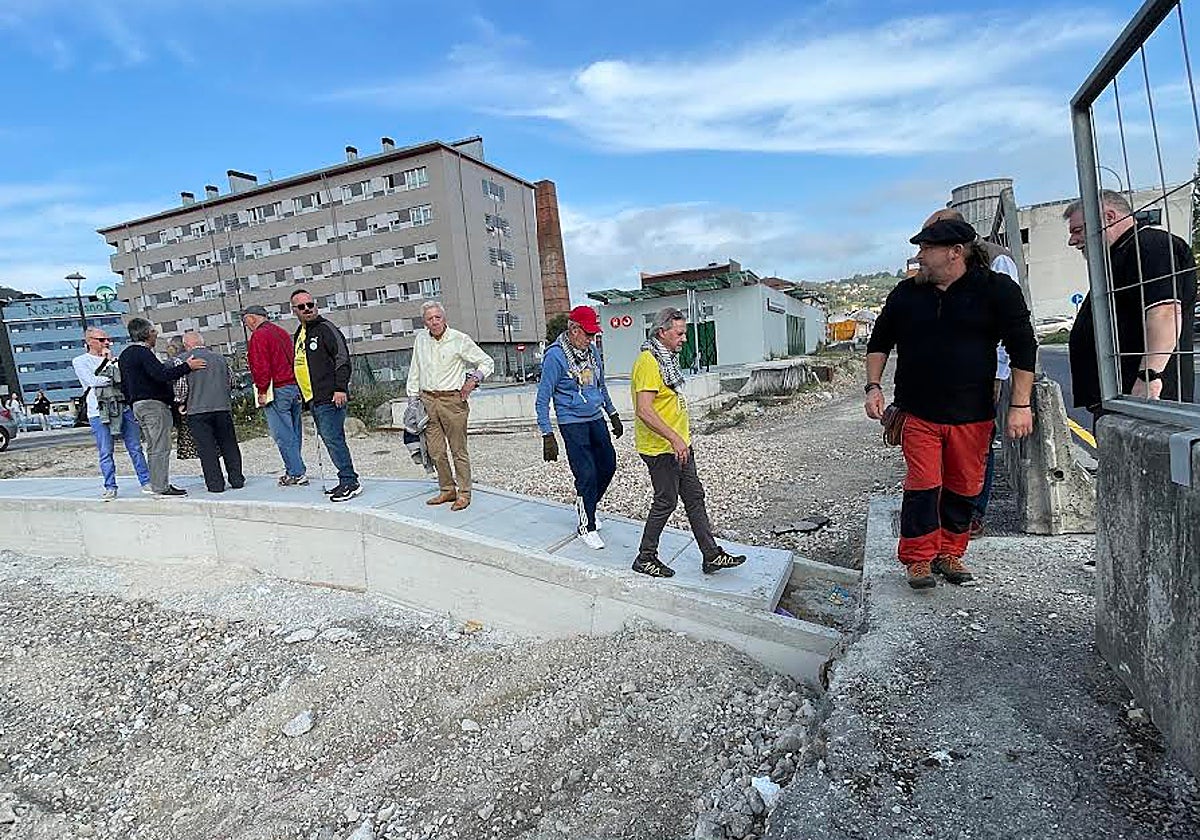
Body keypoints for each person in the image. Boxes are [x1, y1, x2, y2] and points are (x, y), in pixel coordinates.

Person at [866, 218, 1038, 589]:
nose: (919, 258)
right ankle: (917, 559)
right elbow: (879, 341)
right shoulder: (906, 294)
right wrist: (873, 386)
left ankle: (950, 553)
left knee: (963, 487)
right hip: (917, 411)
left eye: (926, 250)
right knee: (923, 485)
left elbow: (1023, 346)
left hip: (972, 413)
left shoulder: (997, 290)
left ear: (954, 253)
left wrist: (1020, 405)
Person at [921, 208, 1022, 537]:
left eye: (929, 239)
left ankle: (972, 513)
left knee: (977, 443)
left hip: (985, 374)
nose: (924, 249)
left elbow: (1012, 327)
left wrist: (1000, 375)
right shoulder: (944, 272)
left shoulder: (997, 261)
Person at [630, 306, 746, 578]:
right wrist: (673, 438)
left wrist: (681, 440)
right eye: (680, 333)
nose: (684, 338)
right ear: (662, 332)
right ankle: (645, 557)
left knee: (694, 497)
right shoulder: (649, 361)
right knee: (666, 501)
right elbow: (644, 410)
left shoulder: (667, 359)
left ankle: (711, 556)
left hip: (679, 445)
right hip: (661, 448)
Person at [1064, 189, 1196, 420]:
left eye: (1078, 230)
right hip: (1122, 402)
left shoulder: (1150, 245)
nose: (1072, 240)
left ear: (1109, 217)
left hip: (1145, 402)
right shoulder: (1120, 254)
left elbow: (1165, 311)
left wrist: (1149, 377)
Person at [536, 305, 623, 550]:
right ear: (574, 330)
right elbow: (543, 397)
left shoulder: (593, 352)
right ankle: (587, 526)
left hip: (595, 416)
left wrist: (612, 413)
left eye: (594, 334)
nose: (592, 338)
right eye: (588, 333)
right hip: (571, 421)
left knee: (608, 465)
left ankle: (587, 507)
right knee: (586, 474)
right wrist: (547, 433)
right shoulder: (555, 357)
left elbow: (601, 385)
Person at [405, 301, 495, 511]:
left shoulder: (459, 339)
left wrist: (472, 381)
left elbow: (486, 362)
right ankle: (447, 489)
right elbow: (415, 368)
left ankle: (464, 493)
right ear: (424, 322)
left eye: (438, 317)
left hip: (452, 401)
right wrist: (412, 400)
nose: (434, 321)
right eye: (430, 318)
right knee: (435, 451)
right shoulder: (421, 339)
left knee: (458, 450)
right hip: (428, 401)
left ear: (444, 318)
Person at [118, 318, 206, 497]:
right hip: (153, 406)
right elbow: (161, 375)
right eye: (153, 331)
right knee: (160, 446)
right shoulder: (143, 353)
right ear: (146, 333)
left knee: (152, 446)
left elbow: (124, 385)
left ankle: (156, 483)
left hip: (138, 406)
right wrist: (187, 367)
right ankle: (161, 486)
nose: (156, 334)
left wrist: (132, 403)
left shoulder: (125, 355)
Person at [290, 289, 361, 502]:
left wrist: (340, 388)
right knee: (329, 439)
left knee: (334, 439)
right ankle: (344, 479)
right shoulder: (299, 334)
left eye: (310, 304)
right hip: (313, 398)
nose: (307, 309)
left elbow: (342, 359)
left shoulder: (326, 328)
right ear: (294, 310)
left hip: (330, 396)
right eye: (301, 306)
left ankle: (350, 481)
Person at [72, 326, 152, 500]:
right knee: (105, 450)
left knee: (135, 447)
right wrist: (107, 369)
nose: (106, 343)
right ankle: (110, 485)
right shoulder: (80, 361)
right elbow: (92, 381)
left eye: (107, 339)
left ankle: (146, 481)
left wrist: (112, 368)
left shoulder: (115, 360)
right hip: (98, 411)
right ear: (89, 341)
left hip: (122, 407)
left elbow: (122, 379)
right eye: (101, 340)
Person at [243, 304, 307, 485]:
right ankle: (295, 468)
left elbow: (261, 366)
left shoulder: (259, 336)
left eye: (246, 321)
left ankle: (296, 473)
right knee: (294, 433)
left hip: (276, 389)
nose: (246, 325)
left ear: (252, 318)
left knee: (283, 434)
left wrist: (262, 391)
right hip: (293, 387)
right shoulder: (281, 332)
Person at [181, 332, 244, 493]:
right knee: (229, 444)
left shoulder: (184, 360)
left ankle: (215, 484)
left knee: (206, 449)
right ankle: (237, 479)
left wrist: (181, 403)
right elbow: (232, 381)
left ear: (186, 345)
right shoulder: (220, 359)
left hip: (197, 409)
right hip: (222, 407)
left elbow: (181, 388)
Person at [165, 338, 199, 461]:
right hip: (195, 400)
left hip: (179, 403)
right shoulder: (189, 360)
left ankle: (189, 451)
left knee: (185, 431)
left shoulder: (169, 363)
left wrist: (178, 401)